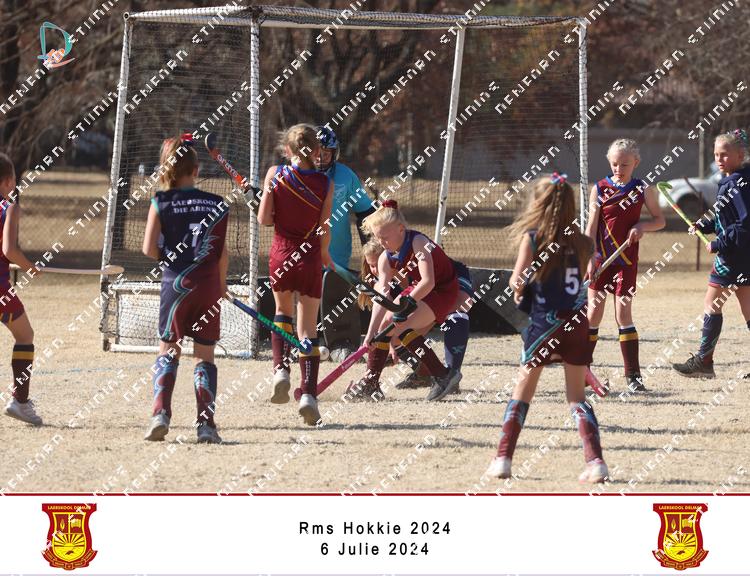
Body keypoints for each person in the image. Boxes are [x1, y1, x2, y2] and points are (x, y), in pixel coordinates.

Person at [485, 173, 608, 483]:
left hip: (543, 324)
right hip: (576, 323)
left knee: (522, 394)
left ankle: (503, 460)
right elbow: (575, 281)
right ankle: (596, 463)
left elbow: (517, 281)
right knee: (577, 397)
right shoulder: (584, 242)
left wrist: (520, 290)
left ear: (538, 204)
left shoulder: (533, 238)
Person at [142, 133, 229, 444]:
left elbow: (148, 248)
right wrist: (221, 286)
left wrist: (171, 257)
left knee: (169, 349)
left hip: (175, 285)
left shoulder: (161, 201)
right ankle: (205, 425)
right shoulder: (217, 204)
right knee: (204, 356)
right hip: (208, 287)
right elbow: (221, 253)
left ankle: (160, 415)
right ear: (196, 170)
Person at [351, 199, 461, 402]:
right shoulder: (385, 257)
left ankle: (443, 375)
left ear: (401, 229)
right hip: (418, 290)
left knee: (400, 326)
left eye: (384, 237)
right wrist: (371, 332)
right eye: (378, 237)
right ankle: (371, 383)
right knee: (385, 326)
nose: (381, 242)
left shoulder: (418, 242)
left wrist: (407, 303)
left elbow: (428, 281)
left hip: (442, 290)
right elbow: (382, 296)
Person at [260, 123, 334, 425]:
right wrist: (325, 254)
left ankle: (280, 369)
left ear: (287, 149)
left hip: (281, 253)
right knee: (308, 330)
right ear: (316, 151)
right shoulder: (325, 183)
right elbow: (324, 226)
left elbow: (265, 219)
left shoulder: (274, 174)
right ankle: (308, 396)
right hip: (310, 256)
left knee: (282, 312)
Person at [585, 138, 665, 393]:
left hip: (626, 261)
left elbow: (659, 220)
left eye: (625, 165)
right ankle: (582, 371)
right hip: (601, 259)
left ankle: (633, 376)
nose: (619, 169)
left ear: (636, 163)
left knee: (623, 314)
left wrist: (642, 226)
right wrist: (589, 256)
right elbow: (591, 226)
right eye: (615, 164)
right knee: (593, 315)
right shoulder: (599, 188)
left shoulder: (643, 189)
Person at [673, 129, 750, 378]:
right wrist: (704, 225)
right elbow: (725, 218)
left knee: (711, 304)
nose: (719, 159)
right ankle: (704, 361)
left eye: (725, 154)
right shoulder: (736, 179)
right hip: (743, 255)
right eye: (716, 154)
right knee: (748, 309)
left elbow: (745, 222)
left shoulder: (736, 183)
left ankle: (704, 362)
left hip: (733, 256)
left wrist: (719, 243)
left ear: (740, 155)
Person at [316, 126, 375, 362]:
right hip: (302, 254)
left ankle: (343, 344)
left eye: (326, 153)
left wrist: (370, 251)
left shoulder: (346, 176)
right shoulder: (295, 175)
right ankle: (304, 343)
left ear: (334, 153)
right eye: (316, 152)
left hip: (336, 254)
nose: (320, 158)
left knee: (336, 294)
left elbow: (365, 213)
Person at [0, 153, 43, 426]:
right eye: (14, 178)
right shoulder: (10, 207)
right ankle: (20, 401)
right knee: (25, 335)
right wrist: (30, 267)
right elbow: (9, 250)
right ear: (7, 181)